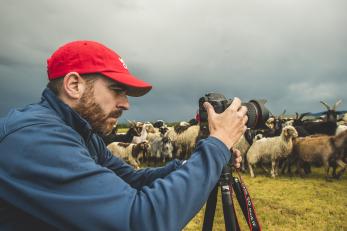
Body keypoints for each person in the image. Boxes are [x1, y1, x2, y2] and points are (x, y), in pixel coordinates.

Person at [0, 40, 247, 231]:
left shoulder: (81, 133)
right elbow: (139, 221)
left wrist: (196, 163)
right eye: (117, 90)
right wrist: (218, 143)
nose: (125, 104)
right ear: (74, 85)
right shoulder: (35, 138)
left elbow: (132, 180)